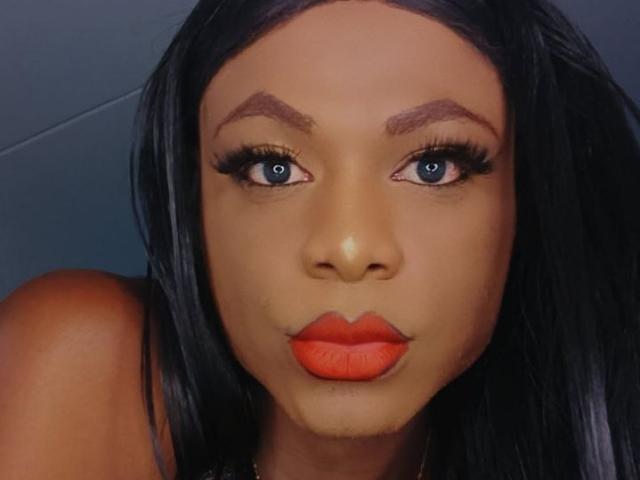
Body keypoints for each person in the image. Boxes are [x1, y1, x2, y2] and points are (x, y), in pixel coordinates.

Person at [1, 1, 639, 479]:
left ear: (524, 199)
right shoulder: (87, 366)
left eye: (433, 166)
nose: (349, 247)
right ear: (195, 208)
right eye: (271, 168)